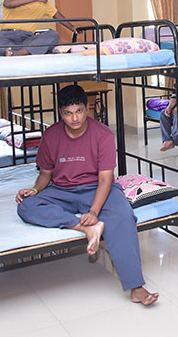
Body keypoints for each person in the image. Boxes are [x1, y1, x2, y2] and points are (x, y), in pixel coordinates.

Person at [16, 85, 159, 306]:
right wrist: (34, 190)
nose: (75, 118)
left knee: (123, 217)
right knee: (26, 206)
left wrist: (93, 212)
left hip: (96, 188)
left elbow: (105, 179)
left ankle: (136, 287)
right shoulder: (51, 135)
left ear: (87, 108)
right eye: (68, 113)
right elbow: (45, 174)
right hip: (62, 190)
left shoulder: (102, 134)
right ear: (61, 113)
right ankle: (87, 229)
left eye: (79, 111)